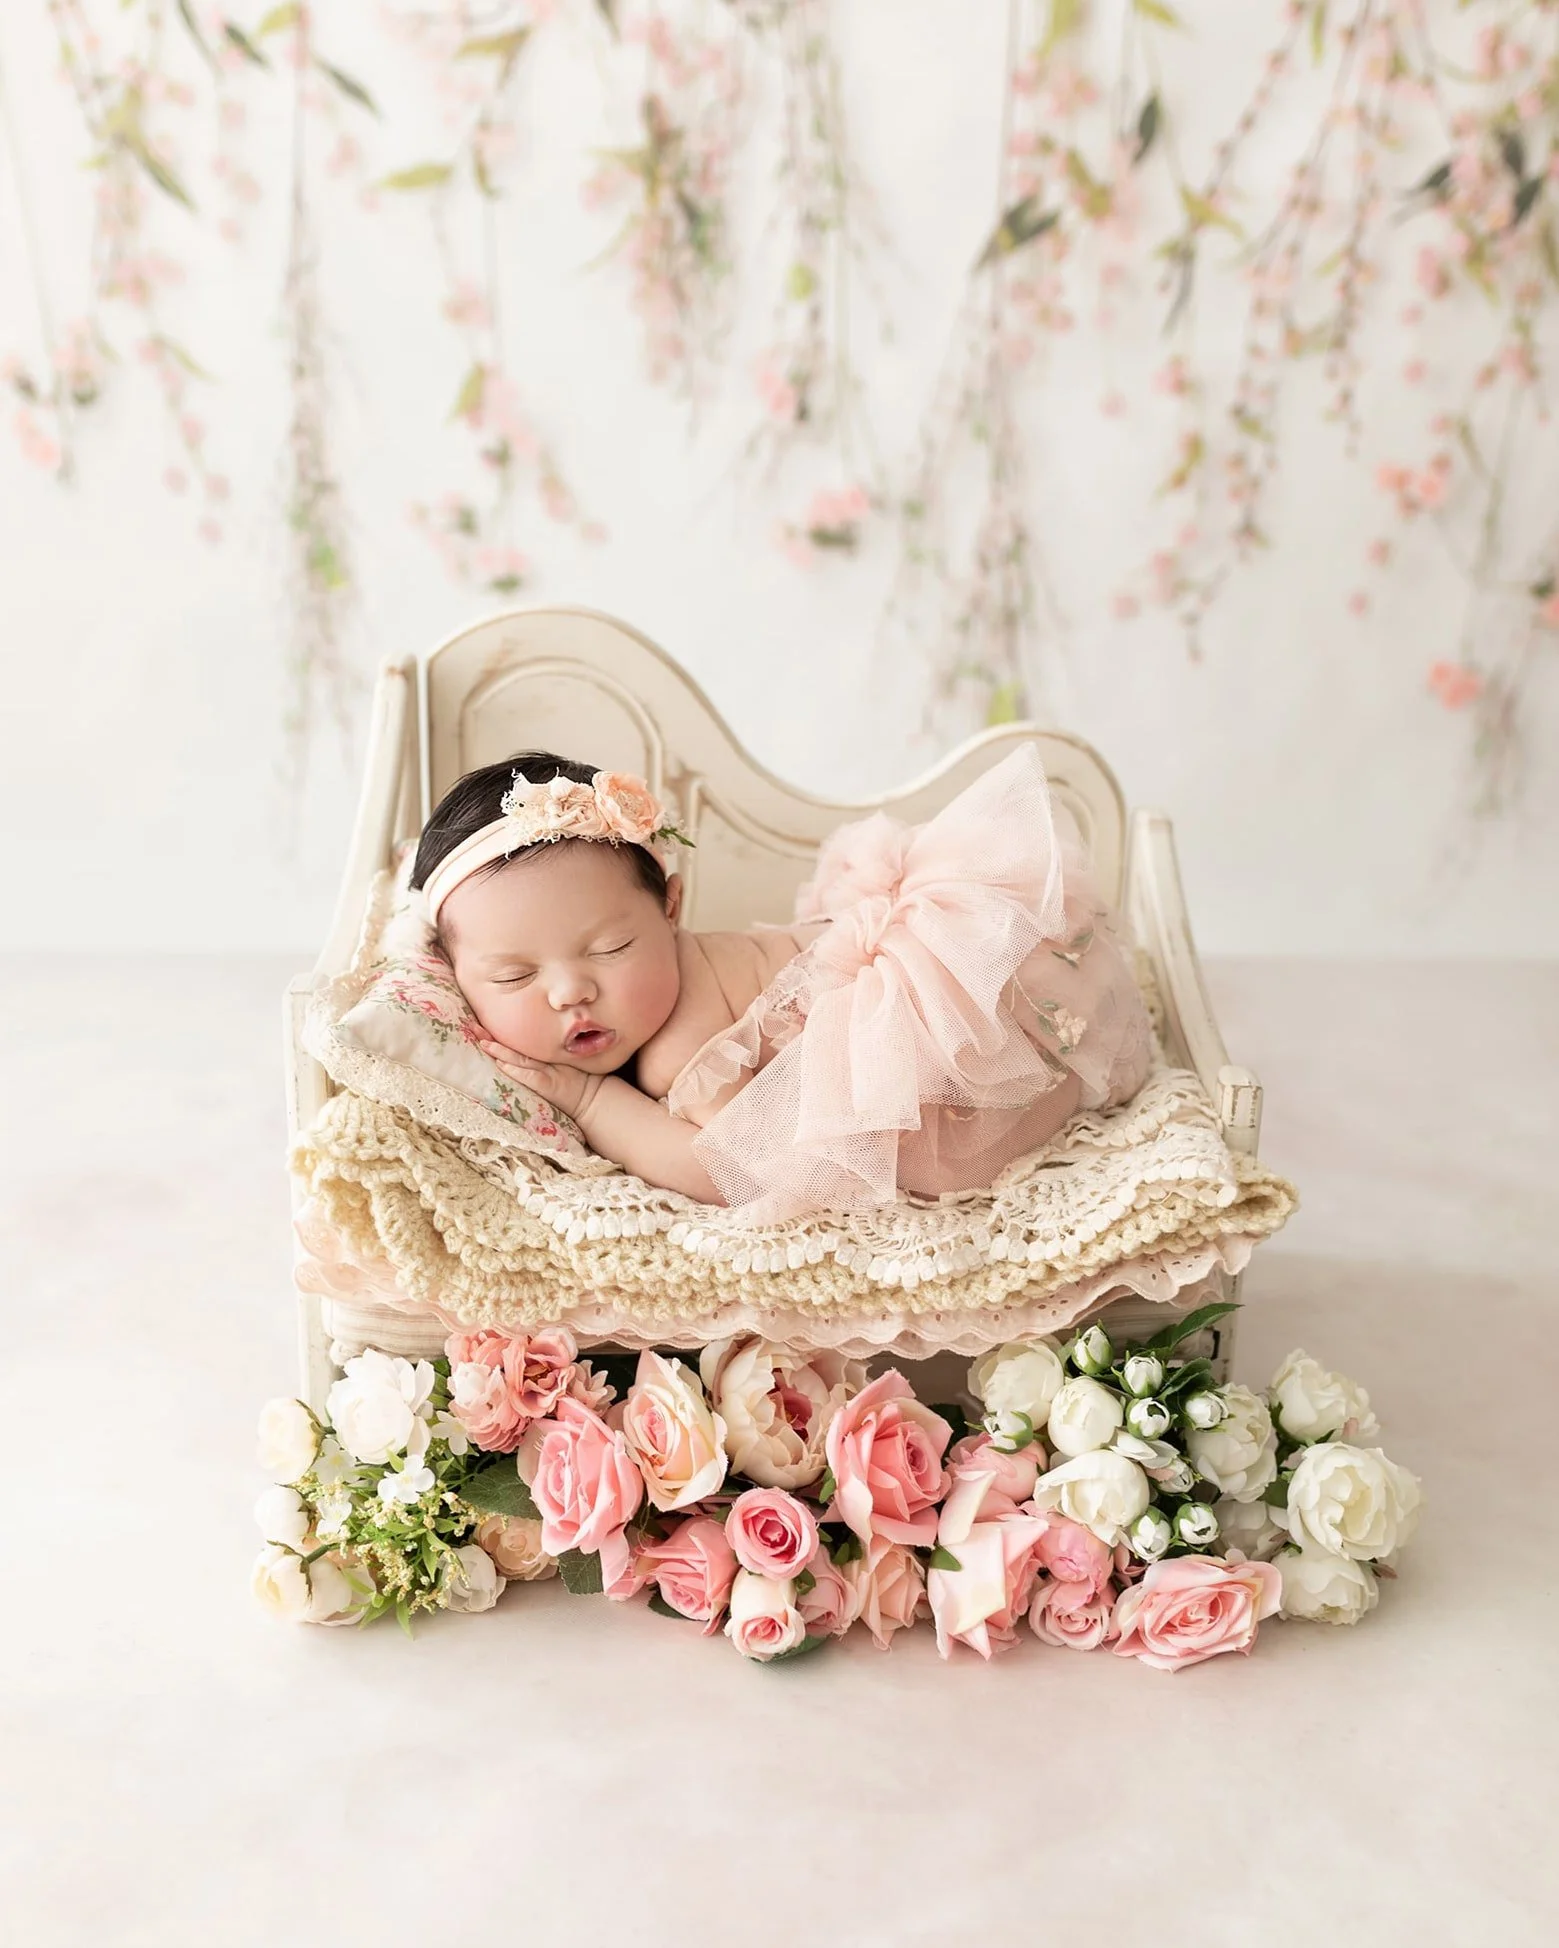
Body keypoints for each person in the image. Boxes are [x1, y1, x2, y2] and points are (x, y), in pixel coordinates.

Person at [409, 745, 1154, 1221]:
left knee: (949, 1137)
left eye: (611, 948)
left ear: (672, 908)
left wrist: (588, 1097)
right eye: (513, 975)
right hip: (925, 974)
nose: (570, 992)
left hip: (985, 1042)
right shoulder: (637, 991)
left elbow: (733, 1172)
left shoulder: (680, 1054)